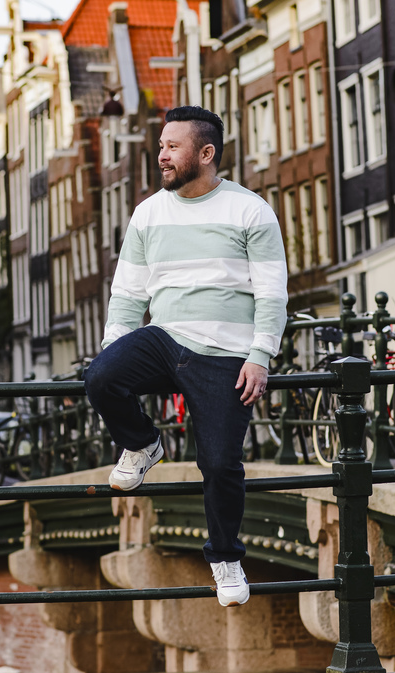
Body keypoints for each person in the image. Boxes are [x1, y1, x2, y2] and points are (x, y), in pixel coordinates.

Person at [83, 105, 288, 608]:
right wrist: (119, 347)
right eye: (161, 146)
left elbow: (272, 293)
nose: (162, 156)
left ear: (206, 153)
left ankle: (225, 558)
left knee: (220, 464)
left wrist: (260, 356)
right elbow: (128, 293)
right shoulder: (149, 212)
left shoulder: (251, 211)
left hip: (226, 353)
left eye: (172, 147)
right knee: (101, 376)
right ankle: (143, 444)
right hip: (165, 338)